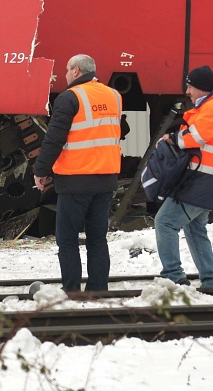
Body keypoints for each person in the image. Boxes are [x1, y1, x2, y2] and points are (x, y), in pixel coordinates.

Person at [33, 54, 123, 294]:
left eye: (66, 69)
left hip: (75, 181)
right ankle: (97, 290)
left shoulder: (69, 97)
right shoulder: (114, 95)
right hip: (105, 180)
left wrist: (40, 171)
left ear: (75, 71)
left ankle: (71, 289)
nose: (64, 75)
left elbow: (54, 139)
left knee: (68, 240)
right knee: (97, 239)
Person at [155, 65, 213, 289]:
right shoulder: (211, 106)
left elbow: (195, 137)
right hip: (204, 179)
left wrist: (172, 138)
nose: (188, 92)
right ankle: (210, 280)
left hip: (201, 181)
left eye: (190, 87)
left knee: (165, 222)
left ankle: (173, 276)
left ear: (201, 88)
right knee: (195, 228)